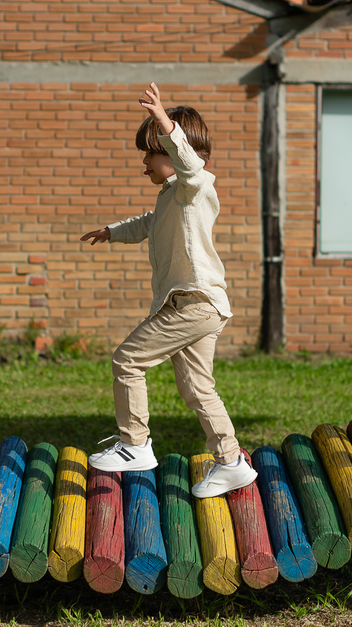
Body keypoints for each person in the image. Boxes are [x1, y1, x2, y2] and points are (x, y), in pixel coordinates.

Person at [79, 83, 256, 498]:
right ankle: (230, 461)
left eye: (150, 154)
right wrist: (112, 231)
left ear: (174, 153)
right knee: (198, 388)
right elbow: (146, 223)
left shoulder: (196, 187)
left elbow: (190, 165)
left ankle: (134, 444)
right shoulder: (171, 198)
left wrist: (165, 122)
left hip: (193, 304)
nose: (144, 163)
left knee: (127, 360)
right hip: (202, 306)